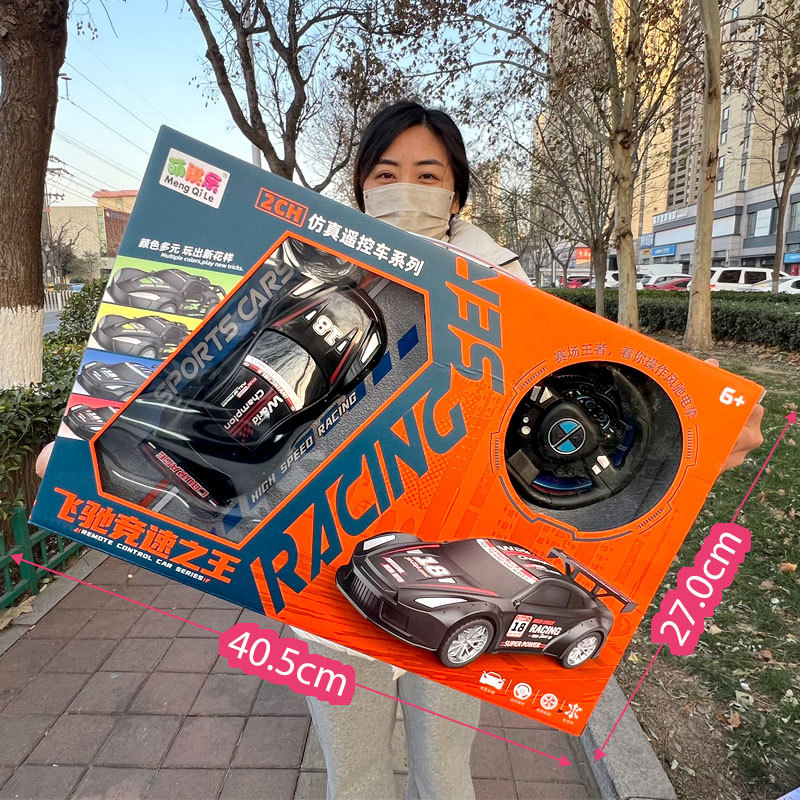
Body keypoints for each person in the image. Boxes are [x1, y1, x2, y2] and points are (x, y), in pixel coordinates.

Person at [34, 100, 764, 800]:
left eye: (427, 174)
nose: (404, 189)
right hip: (329, 572)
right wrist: (79, 456)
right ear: (360, 188)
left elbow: (588, 418)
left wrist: (707, 439)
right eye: (385, 174)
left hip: (464, 574)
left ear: (456, 194)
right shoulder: (305, 268)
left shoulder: (509, 296)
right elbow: (185, 376)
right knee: (351, 777)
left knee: (444, 776)